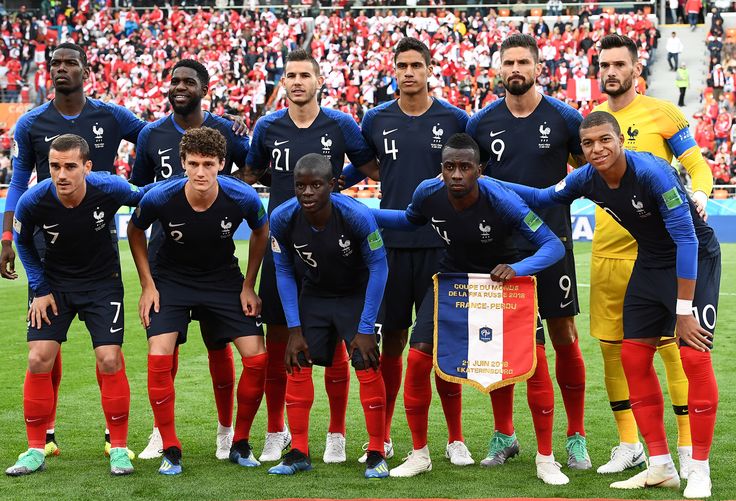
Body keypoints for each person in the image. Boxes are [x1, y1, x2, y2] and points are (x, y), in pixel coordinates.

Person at [503, 111, 720, 499]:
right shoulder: (586, 177)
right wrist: (487, 182)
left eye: (605, 140)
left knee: (693, 357)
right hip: (650, 261)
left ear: (621, 140)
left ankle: (699, 470)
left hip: (694, 260)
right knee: (633, 359)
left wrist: (683, 312)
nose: (597, 149)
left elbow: (687, 241)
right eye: (588, 143)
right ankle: (661, 466)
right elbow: (542, 197)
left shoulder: (653, 173)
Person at [372, 133, 568, 484]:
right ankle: (419, 454)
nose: (457, 174)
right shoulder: (427, 193)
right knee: (417, 359)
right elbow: (407, 220)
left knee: (535, 362)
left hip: (503, 283)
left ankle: (546, 459)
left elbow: (553, 246)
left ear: (479, 170)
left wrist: (518, 269)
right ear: (441, 169)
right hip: (453, 282)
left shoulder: (502, 200)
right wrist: (360, 211)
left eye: (465, 167)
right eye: (450, 167)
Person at [1, 42, 147, 459]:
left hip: (98, 246)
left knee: (107, 353)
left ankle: (114, 438)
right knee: (45, 346)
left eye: (70, 63)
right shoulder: (31, 123)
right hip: (48, 247)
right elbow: (18, 181)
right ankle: (44, 435)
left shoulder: (111, 115)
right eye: (55, 63)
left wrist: (209, 130)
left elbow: (155, 140)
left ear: (86, 70)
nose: (61, 68)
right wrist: (8, 236)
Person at [343, 37, 473, 467]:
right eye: (402, 65)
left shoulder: (454, 118)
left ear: (430, 69)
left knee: (440, 345)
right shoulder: (376, 118)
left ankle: (455, 438)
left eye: (417, 65)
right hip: (392, 248)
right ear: (394, 70)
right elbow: (367, 166)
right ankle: (382, 436)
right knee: (393, 342)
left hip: (443, 248)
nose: (409, 72)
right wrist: (330, 186)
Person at [244, 48, 377, 464]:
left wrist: (336, 183)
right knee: (280, 339)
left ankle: (336, 433)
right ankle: (276, 430)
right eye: (291, 75)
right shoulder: (267, 126)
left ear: (319, 81)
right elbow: (251, 172)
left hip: (331, 245)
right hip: (283, 244)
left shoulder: (340, 124)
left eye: (305, 75)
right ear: (282, 82)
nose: (298, 81)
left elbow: (369, 166)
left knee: (335, 343)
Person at [466, 33, 590, 471]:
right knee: (499, 342)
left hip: (552, 245)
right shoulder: (480, 123)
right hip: (499, 249)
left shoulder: (565, 118)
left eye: (523, 62)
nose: (515, 69)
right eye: (509, 62)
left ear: (538, 67)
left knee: (563, 335)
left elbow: (587, 171)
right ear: (499, 69)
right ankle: (505, 434)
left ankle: (576, 437)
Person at [592, 34, 713, 476]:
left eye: (619, 64)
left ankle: (684, 448)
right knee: (612, 350)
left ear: (635, 69)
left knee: (672, 349)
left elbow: (697, 164)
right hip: (607, 252)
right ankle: (630, 445)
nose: (611, 72)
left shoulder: (662, 113)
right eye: (604, 65)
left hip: (657, 255)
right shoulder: (593, 122)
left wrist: (700, 194)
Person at [127, 127, 269, 475]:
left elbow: (261, 231)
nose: (200, 172)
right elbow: (134, 230)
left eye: (208, 164)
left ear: (221, 163)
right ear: (183, 163)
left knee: (257, 358)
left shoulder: (242, 196)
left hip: (222, 278)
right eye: (193, 164)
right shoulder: (161, 196)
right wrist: (148, 284)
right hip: (172, 279)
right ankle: (170, 447)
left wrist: (248, 285)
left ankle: (239, 442)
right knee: (159, 353)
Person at [5, 135, 140, 476]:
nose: (61, 174)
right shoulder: (34, 199)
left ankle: (118, 448)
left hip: (102, 283)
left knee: (109, 358)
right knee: (38, 358)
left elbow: (146, 198)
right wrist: (39, 288)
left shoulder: (110, 187)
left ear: (87, 167)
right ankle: (35, 449)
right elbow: (22, 241)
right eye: (55, 166)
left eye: (70, 166)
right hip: (54, 286)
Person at [268, 153, 389, 478]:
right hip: (316, 294)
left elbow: (379, 267)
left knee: (366, 361)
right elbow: (283, 270)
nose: (307, 192)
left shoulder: (356, 215)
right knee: (297, 360)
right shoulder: (282, 218)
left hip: (356, 294)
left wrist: (366, 327)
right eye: (300, 186)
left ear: (332, 185)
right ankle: (299, 452)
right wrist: (294, 329)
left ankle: (377, 451)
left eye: (316, 185)